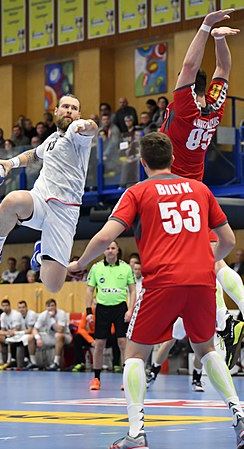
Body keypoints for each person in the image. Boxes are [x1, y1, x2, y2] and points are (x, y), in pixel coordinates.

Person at [68, 132, 244, 449]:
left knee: (135, 354)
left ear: (143, 162)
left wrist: (80, 262)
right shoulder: (200, 189)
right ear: (173, 159)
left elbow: (106, 236)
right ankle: (240, 415)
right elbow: (228, 241)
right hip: (202, 280)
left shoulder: (138, 192)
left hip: (162, 282)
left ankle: (136, 433)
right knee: (206, 350)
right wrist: (204, 261)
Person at [159, 8, 244, 367]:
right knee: (212, 260)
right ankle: (228, 319)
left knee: (200, 263)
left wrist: (207, 27)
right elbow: (223, 70)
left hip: (175, 192)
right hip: (199, 189)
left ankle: (223, 323)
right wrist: (220, 42)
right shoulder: (213, 107)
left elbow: (190, 67)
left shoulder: (185, 108)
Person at [0, 94, 98, 293]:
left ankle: (39, 255)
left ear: (78, 114)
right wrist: (9, 163)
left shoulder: (78, 135)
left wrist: (87, 125)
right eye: (65, 106)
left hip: (64, 212)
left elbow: (92, 129)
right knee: (12, 200)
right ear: (56, 111)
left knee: (53, 285)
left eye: (74, 108)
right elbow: (34, 155)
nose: (69, 110)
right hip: (39, 200)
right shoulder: (53, 139)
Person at [86, 241, 136, 390]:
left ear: (117, 250)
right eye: (107, 248)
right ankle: (96, 378)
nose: (110, 251)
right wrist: (89, 311)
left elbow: (132, 290)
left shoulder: (126, 268)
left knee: (123, 344)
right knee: (99, 345)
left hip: (120, 308)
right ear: (104, 251)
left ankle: (125, 379)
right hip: (102, 309)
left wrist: (130, 310)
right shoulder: (96, 268)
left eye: (113, 248)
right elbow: (89, 290)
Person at [29, 298, 72, 371]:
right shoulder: (43, 314)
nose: (51, 308)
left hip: (65, 336)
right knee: (30, 337)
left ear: (55, 306)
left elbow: (60, 330)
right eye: (48, 306)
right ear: (46, 307)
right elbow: (35, 329)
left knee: (58, 335)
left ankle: (56, 363)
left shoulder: (61, 313)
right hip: (50, 336)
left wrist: (51, 318)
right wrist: (38, 338)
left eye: (52, 306)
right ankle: (34, 363)